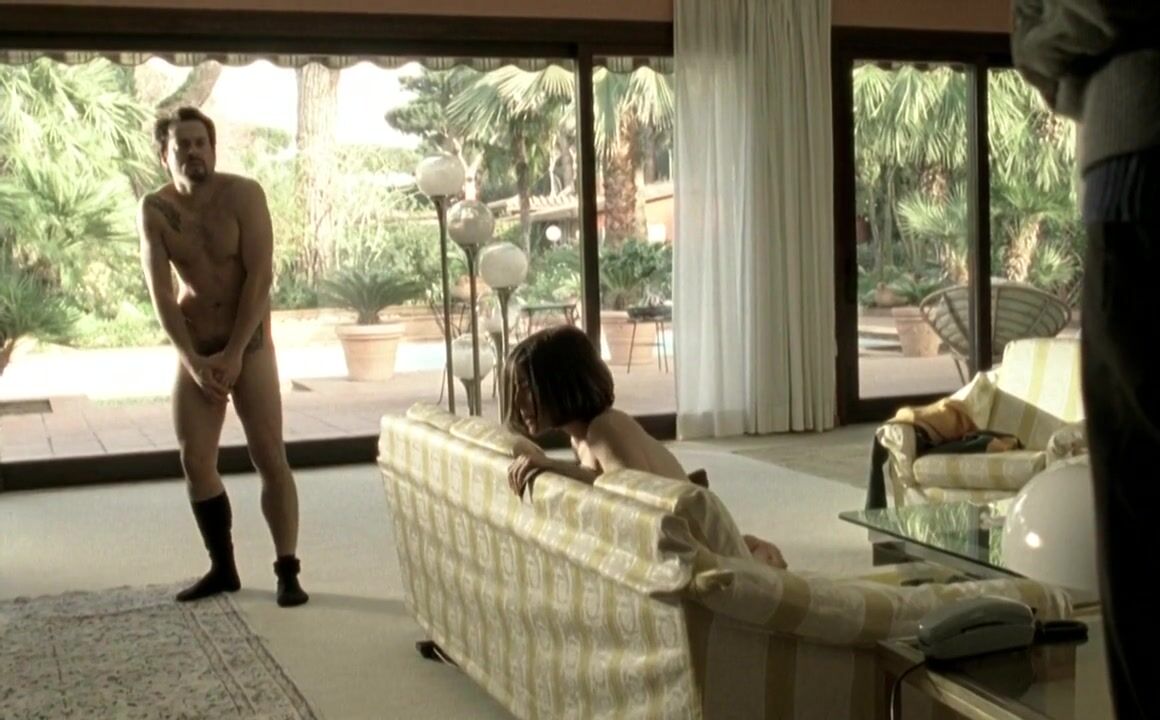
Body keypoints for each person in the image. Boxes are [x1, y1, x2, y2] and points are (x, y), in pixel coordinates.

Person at [1013, 3, 1159, 718]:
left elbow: (1074, 20)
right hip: (1131, 155)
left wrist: (1049, 45)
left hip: (1141, 162)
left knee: (1140, 526)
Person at [137, 107, 308, 607]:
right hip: (198, 343)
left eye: (201, 143)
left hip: (247, 343)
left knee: (269, 455)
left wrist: (234, 353)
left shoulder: (244, 195)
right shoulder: (155, 209)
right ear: (164, 154)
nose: (193, 152)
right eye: (182, 145)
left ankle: (287, 569)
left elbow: (260, 276)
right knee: (195, 460)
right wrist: (193, 360)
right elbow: (161, 294)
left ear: (212, 149)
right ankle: (223, 567)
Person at [503, 325, 787, 569]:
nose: (517, 400)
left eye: (525, 387)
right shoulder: (579, 439)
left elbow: (633, 497)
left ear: (560, 382)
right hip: (692, 533)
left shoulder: (605, 428)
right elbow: (603, 485)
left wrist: (553, 465)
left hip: (705, 544)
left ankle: (759, 554)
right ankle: (751, 547)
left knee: (756, 569)